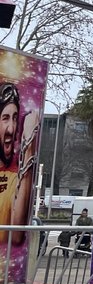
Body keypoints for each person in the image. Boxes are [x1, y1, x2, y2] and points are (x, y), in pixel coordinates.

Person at [0, 83, 36, 246]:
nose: (11, 128)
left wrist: (30, 143)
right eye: (5, 118)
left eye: (15, 118)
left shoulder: (14, 177)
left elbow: (16, 235)